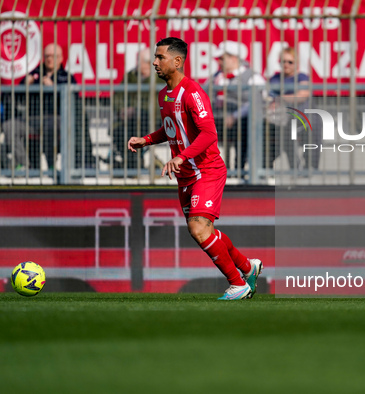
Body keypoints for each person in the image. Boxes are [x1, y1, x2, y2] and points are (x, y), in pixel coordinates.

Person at [127, 37, 263, 300]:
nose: (155, 62)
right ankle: (248, 267)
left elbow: (209, 133)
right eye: (155, 57)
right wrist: (147, 140)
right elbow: (172, 130)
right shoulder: (164, 94)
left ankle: (238, 284)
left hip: (207, 170)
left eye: (160, 57)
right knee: (205, 231)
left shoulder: (193, 92)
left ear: (177, 61)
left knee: (198, 229)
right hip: (186, 175)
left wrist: (180, 157)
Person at [3, 43, 77, 170]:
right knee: (9, 126)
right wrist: (24, 85)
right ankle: (24, 165)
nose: (50, 59)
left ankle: (51, 165)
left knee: (51, 125)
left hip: (55, 119)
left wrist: (54, 88)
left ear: (61, 58)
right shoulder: (35, 74)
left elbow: (73, 101)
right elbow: (17, 98)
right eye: (47, 56)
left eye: (54, 56)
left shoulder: (66, 77)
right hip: (32, 120)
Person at [208, 41, 265, 176]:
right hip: (219, 118)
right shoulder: (217, 77)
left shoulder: (253, 77)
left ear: (233, 58)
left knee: (245, 126)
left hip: (242, 120)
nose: (219, 62)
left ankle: (238, 169)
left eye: (222, 58)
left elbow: (257, 103)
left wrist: (234, 116)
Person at [113, 48, 161, 170]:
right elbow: (117, 96)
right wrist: (121, 110)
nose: (137, 64)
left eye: (140, 62)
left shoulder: (160, 79)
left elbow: (158, 104)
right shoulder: (130, 76)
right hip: (127, 119)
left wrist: (135, 110)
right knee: (118, 131)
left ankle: (134, 163)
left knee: (137, 125)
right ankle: (131, 162)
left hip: (152, 120)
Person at [267, 47, 314, 170]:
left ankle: (297, 168)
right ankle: (265, 167)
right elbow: (266, 96)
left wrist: (281, 98)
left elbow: (303, 95)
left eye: (290, 62)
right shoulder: (275, 78)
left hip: (299, 118)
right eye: (283, 61)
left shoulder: (302, 77)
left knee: (287, 131)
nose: (286, 64)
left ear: (296, 64)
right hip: (276, 118)